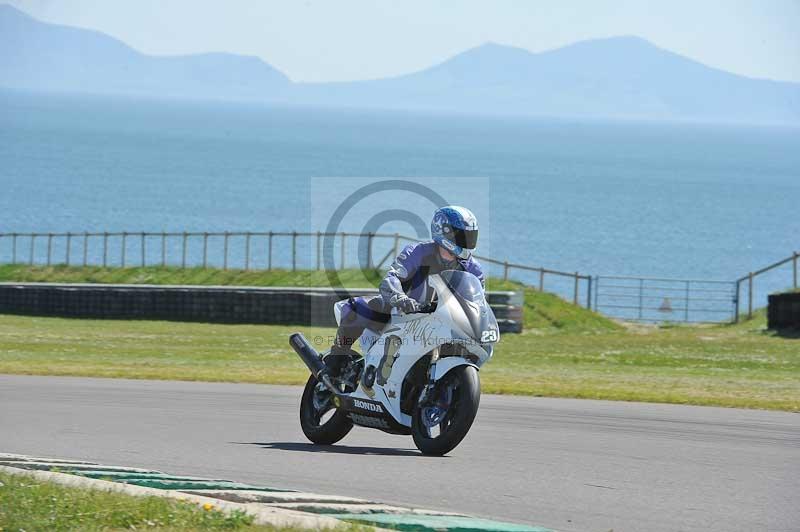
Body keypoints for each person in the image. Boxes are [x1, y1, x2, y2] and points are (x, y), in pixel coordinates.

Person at [328, 206, 484, 375]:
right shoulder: (418, 252)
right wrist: (401, 298)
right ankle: (335, 361)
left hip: (443, 322)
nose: (467, 241)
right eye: (462, 236)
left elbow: (478, 303)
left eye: (470, 236)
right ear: (443, 232)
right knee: (358, 308)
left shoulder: (473, 269)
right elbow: (392, 278)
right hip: (402, 313)